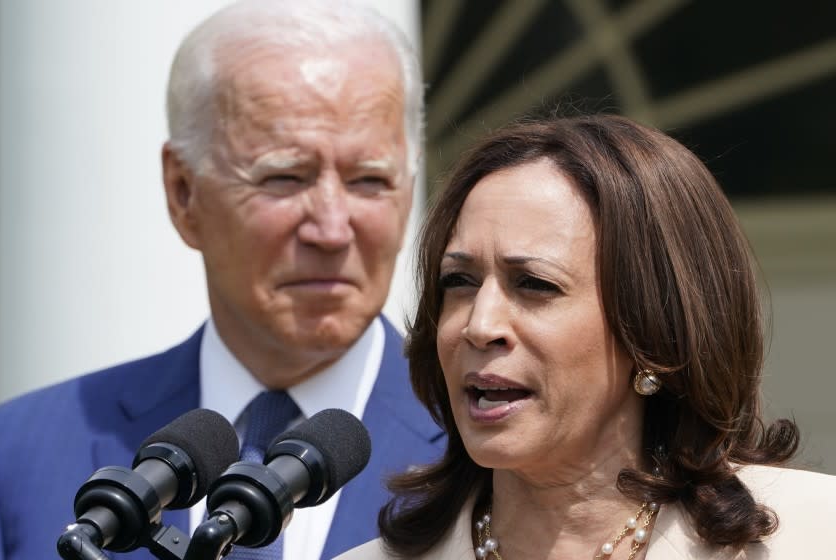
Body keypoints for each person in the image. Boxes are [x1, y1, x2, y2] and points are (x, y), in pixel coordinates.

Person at [0, 1, 445, 559]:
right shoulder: (17, 455)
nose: (332, 229)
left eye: (369, 180)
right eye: (284, 177)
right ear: (184, 193)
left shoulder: (491, 452)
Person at [336, 113, 836, 560]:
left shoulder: (813, 537)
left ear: (654, 333)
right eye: (459, 282)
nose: (480, 325)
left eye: (534, 284)